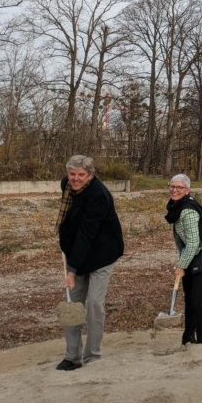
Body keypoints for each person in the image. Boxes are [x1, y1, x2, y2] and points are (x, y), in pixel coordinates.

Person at [56, 155, 124, 371]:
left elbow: (87, 234)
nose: (75, 179)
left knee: (94, 304)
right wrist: (71, 260)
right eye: (72, 174)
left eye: (81, 175)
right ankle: (72, 356)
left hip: (101, 255)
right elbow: (71, 223)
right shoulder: (67, 186)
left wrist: (71, 271)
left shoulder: (98, 195)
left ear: (90, 175)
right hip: (77, 253)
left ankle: (92, 356)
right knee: (72, 306)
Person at [165, 174, 202, 345]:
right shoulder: (176, 206)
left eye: (179, 187)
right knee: (189, 298)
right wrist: (184, 261)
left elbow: (194, 243)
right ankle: (188, 336)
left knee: (197, 301)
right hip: (192, 255)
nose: (175, 190)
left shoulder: (188, 210)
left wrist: (181, 266)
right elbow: (184, 242)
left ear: (187, 190)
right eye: (172, 186)